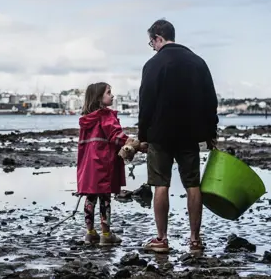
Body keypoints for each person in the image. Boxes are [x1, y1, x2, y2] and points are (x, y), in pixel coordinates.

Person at [138, 19, 218, 253]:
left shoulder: (152, 65)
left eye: (151, 41)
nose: (152, 46)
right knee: (193, 185)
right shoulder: (198, 62)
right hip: (189, 135)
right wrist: (210, 132)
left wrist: (143, 135)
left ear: (158, 38)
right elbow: (210, 102)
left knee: (160, 185)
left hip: (160, 135)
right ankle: (195, 240)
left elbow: (146, 104)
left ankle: (161, 239)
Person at [77, 82, 141, 246]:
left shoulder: (86, 119)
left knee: (90, 197)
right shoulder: (106, 115)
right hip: (104, 162)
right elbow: (116, 136)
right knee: (105, 198)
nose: (112, 96)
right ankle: (106, 234)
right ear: (99, 98)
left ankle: (90, 233)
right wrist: (135, 144)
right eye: (108, 93)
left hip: (88, 165)